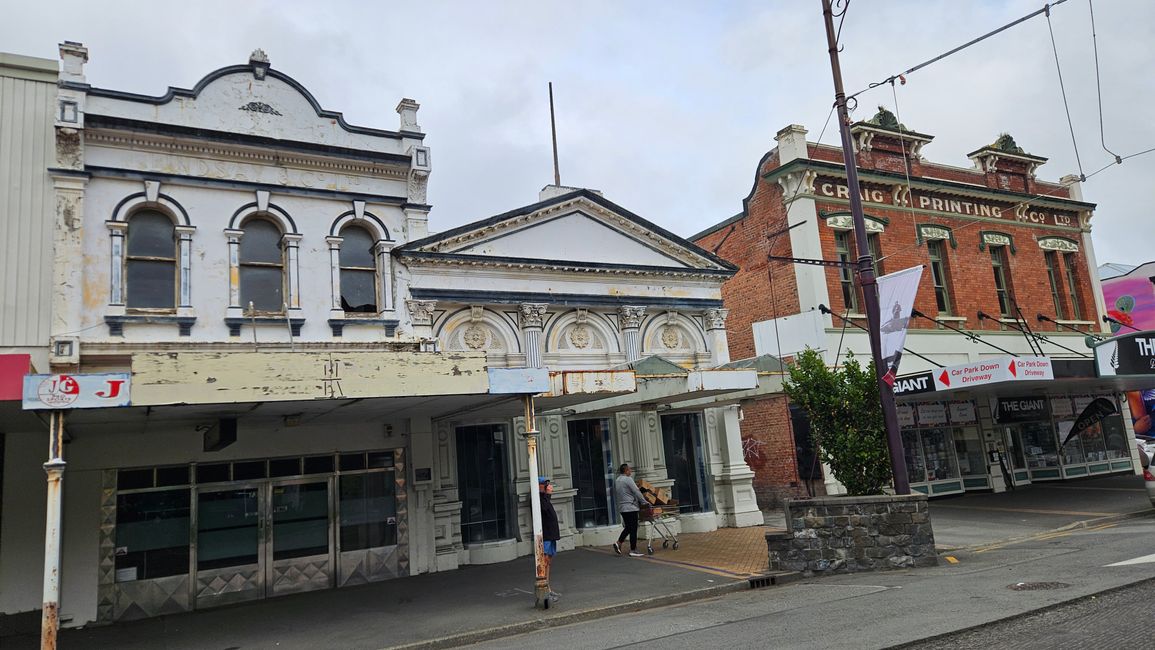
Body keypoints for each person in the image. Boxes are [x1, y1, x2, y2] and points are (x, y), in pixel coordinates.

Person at [613, 463, 649, 557]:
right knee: (633, 528)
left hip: (623, 508)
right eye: (629, 470)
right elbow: (636, 491)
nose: (631, 471)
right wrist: (644, 502)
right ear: (626, 471)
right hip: (631, 507)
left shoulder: (617, 480)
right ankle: (633, 550)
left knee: (628, 527)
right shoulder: (628, 479)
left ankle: (619, 543)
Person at [538, 477, 561, 601]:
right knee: (545, 560)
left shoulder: (543, 497)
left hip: (550, 533)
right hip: (545, 534)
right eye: (544, 484)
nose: (547, 486)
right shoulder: (538, 498)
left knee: (549, 561)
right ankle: (544, 588)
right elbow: (544, 509)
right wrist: (547, 495)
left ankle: (548, 587)